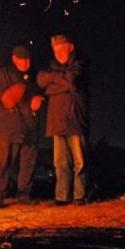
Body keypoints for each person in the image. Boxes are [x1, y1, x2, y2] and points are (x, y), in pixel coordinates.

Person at [0, 45, 44, 208]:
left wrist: (38, 99)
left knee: (28, 163)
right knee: (2, 163)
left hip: (30, 126)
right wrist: (4, 96)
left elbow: (41, 92)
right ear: (14, 59)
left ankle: (24, 195)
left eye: (28, 60)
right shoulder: (3, 74)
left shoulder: (33, 76)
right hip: (8, 126)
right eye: (22, 60)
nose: (26, 63)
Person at [37, 34, 89, 205]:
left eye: (61, 49)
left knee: (79, 160)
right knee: (60, 162)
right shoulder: (51, 67)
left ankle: (79, 196)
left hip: (75, 119)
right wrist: (59, 81)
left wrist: (53, 84)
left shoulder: (80, 64)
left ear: (71, 47)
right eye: (55, 50)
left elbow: (71, 82)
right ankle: (62, 196)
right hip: (57, 121)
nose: (58, 53)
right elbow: (41, 81)